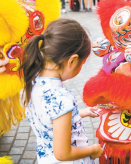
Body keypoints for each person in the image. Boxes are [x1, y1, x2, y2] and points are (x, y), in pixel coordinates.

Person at [19, 19, 103, 164]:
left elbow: (49, 119)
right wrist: (94, 150)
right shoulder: (61, 98)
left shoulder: (33, 79)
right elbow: (63, 153)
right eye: (82, 64)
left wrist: (79, 113)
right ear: (72, 61)